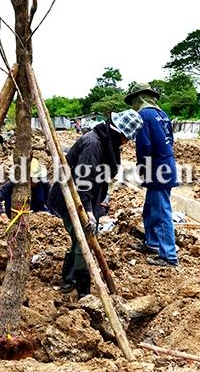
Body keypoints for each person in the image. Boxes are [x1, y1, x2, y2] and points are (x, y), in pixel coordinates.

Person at [48, 110, 143, 298]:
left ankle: (71, 279)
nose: (127, 142)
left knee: (81, 239)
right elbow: (83, 181)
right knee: (82, 238)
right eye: (127, 138)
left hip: (87, 197)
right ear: (120, 133)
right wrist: (89, 212)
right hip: (71, 197)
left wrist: (102, 199)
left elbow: (102, 177)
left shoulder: (107, 141)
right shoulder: (94, 144)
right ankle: (77, 285)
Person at [127, 83, 179, 268]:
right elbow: (170, 140)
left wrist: (143, 166)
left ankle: (169, 256)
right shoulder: (162, 115)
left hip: (156, 168)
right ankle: (152, 243)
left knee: (161, 211)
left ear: (139, 98)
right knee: (150, 208)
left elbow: (144, 146)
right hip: (166, 164)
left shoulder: (143, 116)